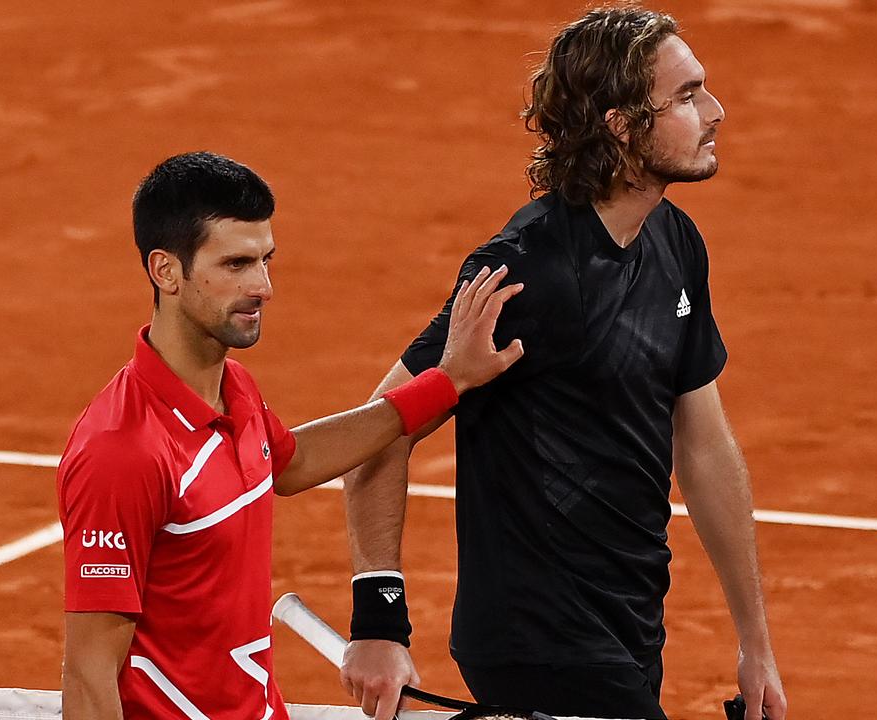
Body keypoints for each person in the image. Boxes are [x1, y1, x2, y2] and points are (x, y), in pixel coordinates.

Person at [340, 7, 787, 720]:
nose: (715, 110)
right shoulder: (527, 274)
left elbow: (704, 446)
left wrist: (755, 642)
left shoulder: (675, 242)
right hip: (536, 638)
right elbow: (382, 428)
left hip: (628, 628)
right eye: (685, 95)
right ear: (620, 125)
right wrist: (379, 621)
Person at [57, 151, 524, 720]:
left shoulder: (233, 390)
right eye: (235, 264)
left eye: (265, 260)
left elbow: (292, 461)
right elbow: (88, 677)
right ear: (166, 271)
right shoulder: (122, 451)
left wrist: (447, 382)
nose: (263, 286)